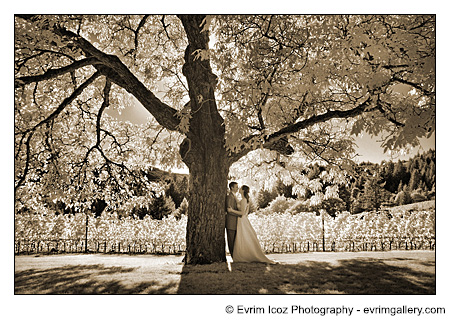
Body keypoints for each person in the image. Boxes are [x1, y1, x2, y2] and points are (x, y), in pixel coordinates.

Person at [232, 185, 275, 264]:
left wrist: (231, 210)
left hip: (242, 220)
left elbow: (242, 213)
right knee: (243, 237)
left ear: (243, 190)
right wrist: (233, 195)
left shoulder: (244, 200)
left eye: (240, 188)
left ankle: (245, 255)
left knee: (244, 237)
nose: (239, 189)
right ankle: (243, 254)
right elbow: (238, 203)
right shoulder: (243, 199)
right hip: (242, 220)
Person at [225, 182, 242, 257]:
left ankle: (235, 256)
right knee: (231, 240)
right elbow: (229, 210)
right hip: (231, 222)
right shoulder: (230, 197)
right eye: (236, 187)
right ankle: (233, 256)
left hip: (235, 222)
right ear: (231, 188)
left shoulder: (234, 196)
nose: (237, 188)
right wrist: (240, 214)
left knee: (234, 240)